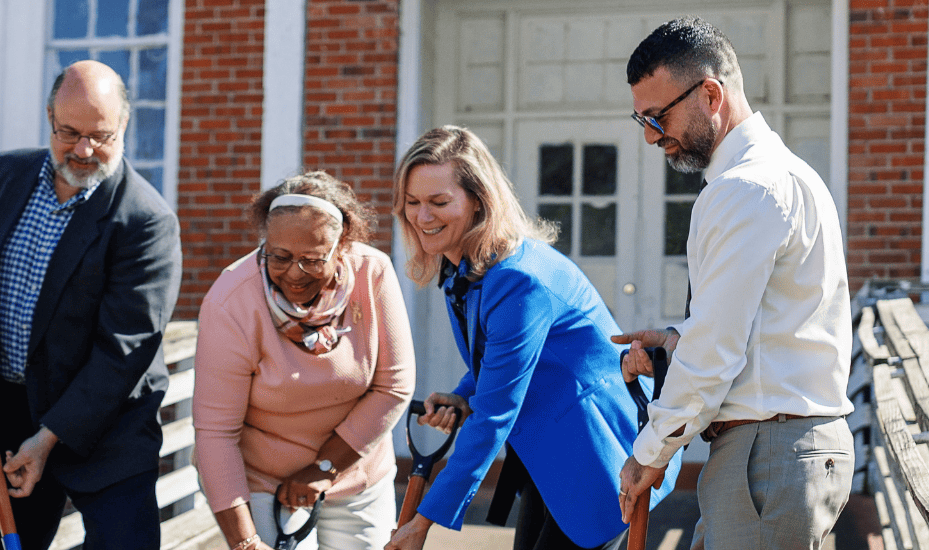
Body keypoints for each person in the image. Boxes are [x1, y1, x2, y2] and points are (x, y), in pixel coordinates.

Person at [614, 17, 857, 550]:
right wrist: (678, 339)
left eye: (658, 117)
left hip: (768, 453)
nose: (653, 137)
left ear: (710, 94)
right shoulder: (779, 175)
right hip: (775, 450)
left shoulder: (747, 188)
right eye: (643, 121)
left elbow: (715, 351)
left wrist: (649, 453)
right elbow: (761, 327)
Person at [384, 126, 679, 550]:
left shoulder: (517, 280)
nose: (422, 217)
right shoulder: (464, 268)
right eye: (412, 203)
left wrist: (422, 522)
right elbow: (501, 361)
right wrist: (464, 394)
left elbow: (495, 413)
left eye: (438, 202)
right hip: (548, 460)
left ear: (478, 202)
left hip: (595, 459)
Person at [0, 60, 183, 550]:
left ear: (125, 127)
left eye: (101, 135)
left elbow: (124, 351)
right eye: (68, 132)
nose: (83, 150)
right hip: (7, 415)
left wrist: (48, 438)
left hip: (108, 428)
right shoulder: (6, 173)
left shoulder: (146, 221)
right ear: (49, 115)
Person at [194, 172, 415, 550]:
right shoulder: (231, 302)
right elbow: (216, 434)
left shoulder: (372, 273)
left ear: (342, 245)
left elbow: (393, 386)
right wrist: (245, 543)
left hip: (356, 470)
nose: (294, 274)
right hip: (265, 482)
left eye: (313, 260)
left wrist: (324, 468)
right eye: (280, 257)